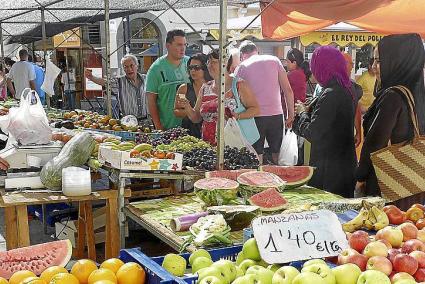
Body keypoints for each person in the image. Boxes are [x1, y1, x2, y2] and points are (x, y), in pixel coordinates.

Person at [356, 34, 425, 200]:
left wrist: (360, 176)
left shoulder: (392, 96)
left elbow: (375, 142)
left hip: (388, 184)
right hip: (415, 185)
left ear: (397, 61)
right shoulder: (419, 93)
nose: (373, 67)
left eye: (379, 61)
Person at [293, 46, 357, 198]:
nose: (312, 71)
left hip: (330, 171)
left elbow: (313, 132)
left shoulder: (331, 94)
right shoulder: (346, 88)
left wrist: (302, 113)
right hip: (344, 165)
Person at [183, 49, 260, 145]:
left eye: (214, 62)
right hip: (209, 142)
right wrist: (187, 107)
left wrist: (238, 116)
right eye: (208, 62)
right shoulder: (205, 88)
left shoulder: (239, 85)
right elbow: (196, 118)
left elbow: (256, 109)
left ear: (225, 63)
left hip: (235, 142)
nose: (210, 65)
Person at [236, 40, 295, 164]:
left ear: (242, 55)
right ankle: (280, 180)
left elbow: (237, 95)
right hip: (276, 115)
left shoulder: (241, 67)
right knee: (278, 154)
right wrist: (291, 115)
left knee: (257, 155)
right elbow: (288, 90)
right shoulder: (274, 60)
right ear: (256, 50)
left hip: (254, 117)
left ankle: (260, 180)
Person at [146, 30, 190, 130]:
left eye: (185, 44)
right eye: (179, 45)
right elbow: (151, 101)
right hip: (167, 127)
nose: (183, 48)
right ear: (168, 46)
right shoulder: (156, 69)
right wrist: (158, 127)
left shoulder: (191, 64)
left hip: (191, 127)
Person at [85, 54, 147, 119]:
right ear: (123, 69)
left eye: (132, 66)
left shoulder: (146, 79)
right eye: (126, 67)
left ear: (137, 66)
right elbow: (105, 82)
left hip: (147, 121)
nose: (129, 69)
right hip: (127, 122)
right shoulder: (119, 81)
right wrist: (91, 77)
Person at [174, 53, 212, 138]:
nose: (193, 71)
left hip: (209, 131)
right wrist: (190, 112)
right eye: (190, 68)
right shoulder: (183, 88)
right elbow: (176, 111)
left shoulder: (213, 87)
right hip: (189, 132)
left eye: (196, 68)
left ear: (205, 68)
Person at [342, 52, 363, 149]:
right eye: (351, 64)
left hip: (347, 135)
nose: (352, 68)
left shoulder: (353, 86)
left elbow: (357, 108)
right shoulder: (331, 85)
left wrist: (358, 131)